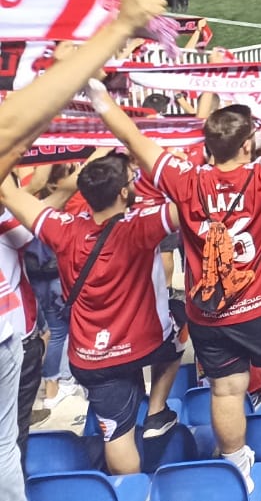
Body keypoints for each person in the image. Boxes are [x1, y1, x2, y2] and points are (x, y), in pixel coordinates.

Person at [95, 56, 261, 478]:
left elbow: (130, 135)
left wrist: (96, 91)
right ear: (247, 145)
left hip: (210, 313)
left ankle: (236, 472)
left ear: (208, 146)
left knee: (225, 390)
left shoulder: (183, 178)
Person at [0, 152, 183, 474]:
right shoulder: (141, 225)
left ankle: (127, 491)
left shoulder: (61, 227)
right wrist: (173, 162)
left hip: (91, 357)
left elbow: (8, 192)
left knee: (117, 434)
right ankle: (157, 410)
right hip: (142, 345)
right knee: (182, 317)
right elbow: (195, 200)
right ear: (123, 192)